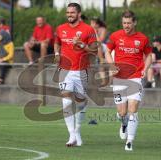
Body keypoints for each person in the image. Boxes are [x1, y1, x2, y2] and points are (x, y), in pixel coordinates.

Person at [105, 11, 152, 151]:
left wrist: (146, 68)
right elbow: (107, 51)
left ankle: (129, 141)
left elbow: (149, 55)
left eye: (129, 23)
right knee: (122, 112)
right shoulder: (115, 36)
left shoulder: (142, 38)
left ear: (134, 23)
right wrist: (111, 65)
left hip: (135, 78)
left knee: (133, 110)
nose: (126, 25)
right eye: (124, 23)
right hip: (119, 78)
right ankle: (123, 123)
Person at [54, 3, 98, 147]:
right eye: (68, 13)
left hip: (81, 70)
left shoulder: (88, 29)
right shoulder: (60, 28)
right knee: (66, 98)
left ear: (79, 14)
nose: (69, 15)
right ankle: (71, 135)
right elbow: (57, 42)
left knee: (80, 102)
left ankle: (77, 129)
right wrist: (56, 53)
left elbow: (94, 50)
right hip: (64, 70)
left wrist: (82, 45)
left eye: (72, 13)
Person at [90, 17, 108, 86]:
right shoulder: (89, 29)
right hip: (93, 47)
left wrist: (95, 32)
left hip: (102, 47)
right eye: (91, 23)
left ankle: (101, 59)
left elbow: (100, 40)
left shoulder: (102, 29)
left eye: (93, 23)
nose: (91, 24)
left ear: (97, 24)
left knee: (98, 45)